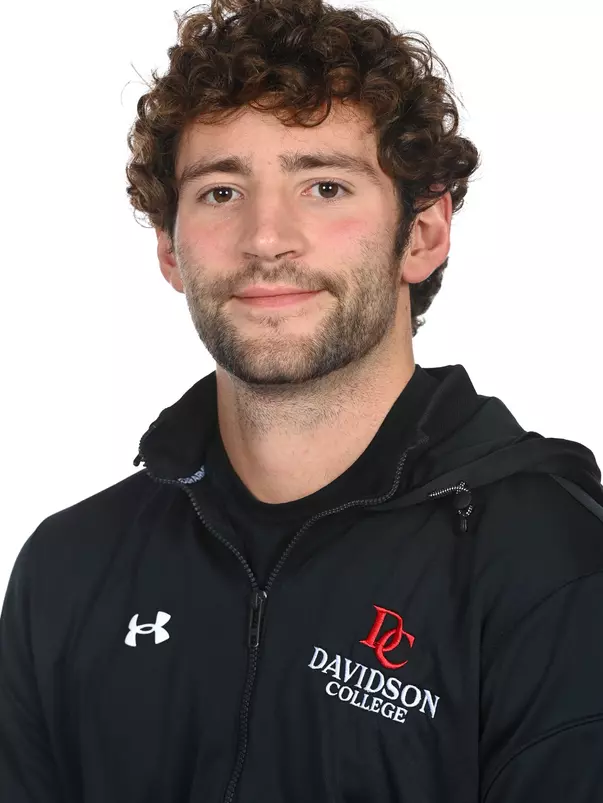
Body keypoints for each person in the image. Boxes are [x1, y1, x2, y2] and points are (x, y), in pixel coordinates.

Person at [2, 0, 603, 800]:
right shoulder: (71, 567)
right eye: (221, 191)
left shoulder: (554, 566)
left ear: (422, 234)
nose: (265, 238)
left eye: (324, 186)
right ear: (169, 247)